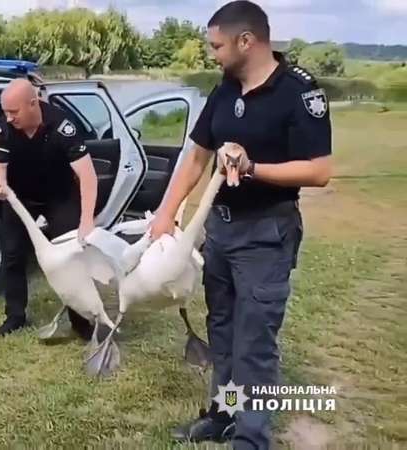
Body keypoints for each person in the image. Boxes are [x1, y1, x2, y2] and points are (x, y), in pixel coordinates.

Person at [147, 2, 333, 448]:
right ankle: (224, 414)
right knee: (223, 330)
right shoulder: (225, 88)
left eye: (216, 45)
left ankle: (252, 438)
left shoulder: (298, 93)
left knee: (255, 342)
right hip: (221, 231)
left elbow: (318, 171)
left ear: (246, 41)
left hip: (265, 235)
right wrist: (167, 212)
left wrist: (252, 168)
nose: (212, 53)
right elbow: (197, 154)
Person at [0, 78, 101, 338]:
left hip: (59, 196)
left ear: (33, 103)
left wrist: (86, 220)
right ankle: (15, 316)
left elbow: (88, 175)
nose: (9, 117)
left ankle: (81, 321)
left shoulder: (62, 126)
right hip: (20, 195)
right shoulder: (2, 129)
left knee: (71, 257)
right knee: (13, 253)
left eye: (14, 112)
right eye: (5, 111)